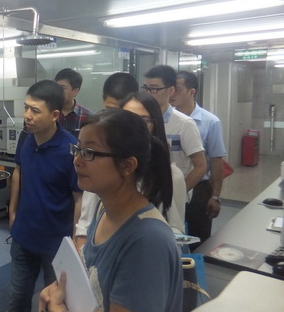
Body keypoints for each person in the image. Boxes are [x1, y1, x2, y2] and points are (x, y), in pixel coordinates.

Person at [39, 109, 183, 312]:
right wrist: (57, 291)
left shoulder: (147, 240)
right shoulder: (105, 211)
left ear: (127, 165)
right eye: (77, 149)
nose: (77, 161)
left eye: (89, 153)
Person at [8, 79, 83, 312]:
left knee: (55, 308)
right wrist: (12, 211)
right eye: (26, 107)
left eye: (35, 110)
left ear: (54, 115)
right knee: (17, 300)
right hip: (23, 237)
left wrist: (75, 241)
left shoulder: (71, 149)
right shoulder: (25, 138)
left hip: (57, 244)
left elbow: (78, 198)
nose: (27, 115)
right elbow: (19, 171)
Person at [74, 91, 186, 251]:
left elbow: (176, 231)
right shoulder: (98, 174)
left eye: (143, 120)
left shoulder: (171, 175)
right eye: (125, 117)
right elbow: (84, 227)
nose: (131, 125)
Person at [171, 70, 227, 246]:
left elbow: (216, 161)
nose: (172, 93)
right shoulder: (166, 119)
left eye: (177, 89)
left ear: (191, 92)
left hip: (199, 189)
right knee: (170, 235)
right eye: (171, 89)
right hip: (170, 187)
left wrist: (215, 196)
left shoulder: (210, 122)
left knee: (198, 238)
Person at [143, 65, 206, 193]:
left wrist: (178, 193)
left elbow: (200, 166)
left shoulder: (185, 124)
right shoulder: (141, 119)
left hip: (172, 195)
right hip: (144, 192)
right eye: (146, 88)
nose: (148, 93)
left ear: (171, 91)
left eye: (154, 89)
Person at [54, 68, 92, 138]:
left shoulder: (87, 117)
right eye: (56, 87)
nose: (57, 91)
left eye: (62, 88)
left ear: (75, 91)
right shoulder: (49, 113)